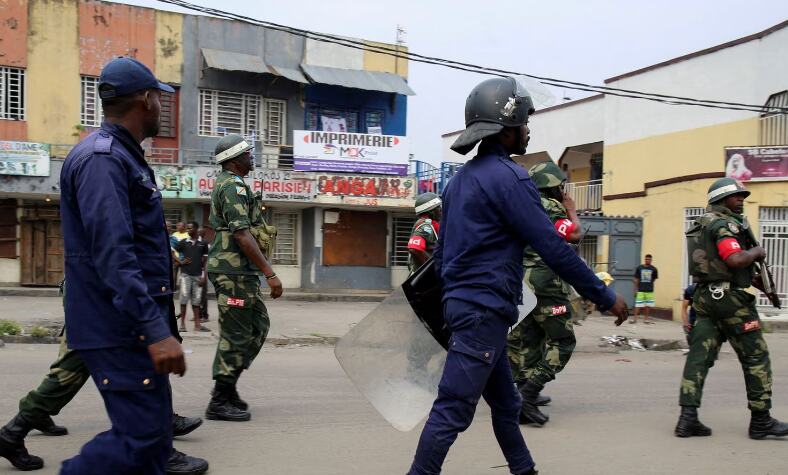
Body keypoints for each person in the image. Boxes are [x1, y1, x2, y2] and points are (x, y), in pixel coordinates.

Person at [406, 77, 628, 475]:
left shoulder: (458, 184)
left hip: (467, 308)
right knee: (452, 411)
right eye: (525, 123)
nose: (528, 130)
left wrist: (446, 307)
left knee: (507, 406)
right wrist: (604, 295)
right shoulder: (511, 179)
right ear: (507, 129)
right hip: (483, 311)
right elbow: (553, 247)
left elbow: (442, 256)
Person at [56, 56, 187, 474]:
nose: (162, 107)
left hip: (130, 323)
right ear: (146, 99)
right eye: (159, 98)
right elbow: (114, 253)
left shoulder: (121, 157)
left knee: (154, 441)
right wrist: (153, 330)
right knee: (142, 437)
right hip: (119, 326)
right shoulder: (103, 159)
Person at [0, 282, 208, 474]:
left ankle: (21, 425)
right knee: (77, 368)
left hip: (110, 291)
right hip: (106, 293)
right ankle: (19, 426)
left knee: (84, 365)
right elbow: (116, 258)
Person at [675, 177, 788, 439]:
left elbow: (727, 266)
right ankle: (761, 421)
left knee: (698, 359)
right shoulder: (725, 224)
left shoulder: (702, 224)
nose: (741, 200)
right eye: (736, 196)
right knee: (756, 357)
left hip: (705, 298)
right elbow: (736, 259)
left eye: (742, 196)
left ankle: (687, 419)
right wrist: (757, 252)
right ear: (720, 200)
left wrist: (765, 290)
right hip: (730, 302)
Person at [205, 134, 283, 422]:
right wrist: (270, 273)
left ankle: (228, 385)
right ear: (236, 159)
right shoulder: (232, 186)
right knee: (237, 333)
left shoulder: (236, 185)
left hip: (241, 272)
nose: (252, 158)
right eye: (248, 154)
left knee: (258, 327)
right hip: (232, 271)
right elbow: (241, 233)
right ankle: (220, 398)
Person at [507, 160, 585, 426]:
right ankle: (528, 394)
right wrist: (571, 210)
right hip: (545, 285)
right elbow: (573, 234)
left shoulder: (521, 206)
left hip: (520, 284)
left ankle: (521, 398)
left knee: (527, 340)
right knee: (563, 341)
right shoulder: (551, 208)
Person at [173, 221, 210, 332]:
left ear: (196, 229)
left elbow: (206, 262)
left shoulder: (203, 243)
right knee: (183, 300)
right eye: (187, 228)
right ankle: (182, 325)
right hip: (185, 276)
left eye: (190, 228)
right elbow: (172, 251)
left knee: (196, 302)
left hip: (198, 276)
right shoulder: (184, 242)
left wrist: (205, 277)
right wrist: (180, 261)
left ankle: (197, 325)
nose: (188, 230)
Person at [407, 192, 442, 274]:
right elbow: (414, 249)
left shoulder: (429, 224)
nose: (441, 209)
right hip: (424, 279)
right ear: (430, 211)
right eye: (438, 207)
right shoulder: (425, 226)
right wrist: (427, 270)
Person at [631, 254, 658, 324]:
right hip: (640, 289)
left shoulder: (654, 269)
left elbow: (654, 279)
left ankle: (646, 319)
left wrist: (649, 285)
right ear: (644, 259)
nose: (647, 260)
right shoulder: (639, 268)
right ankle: (634, 319)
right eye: (646, 259)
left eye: (649, 259)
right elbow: (636, 279)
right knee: (638, 305)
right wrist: (635, 289)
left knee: (647, 305)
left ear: (651, 260)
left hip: (649, 290)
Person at [198, 226, 213, 322]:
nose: (199, 233)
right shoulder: (195, 242)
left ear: (203, 234)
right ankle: (198, 314)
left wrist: (205, 275)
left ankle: (205, 315)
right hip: (195, 272)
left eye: (201, 232)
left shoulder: (206, 245)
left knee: (203, 295)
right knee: (196, 295)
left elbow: (207, 261)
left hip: (202, 272)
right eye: (198, 232)